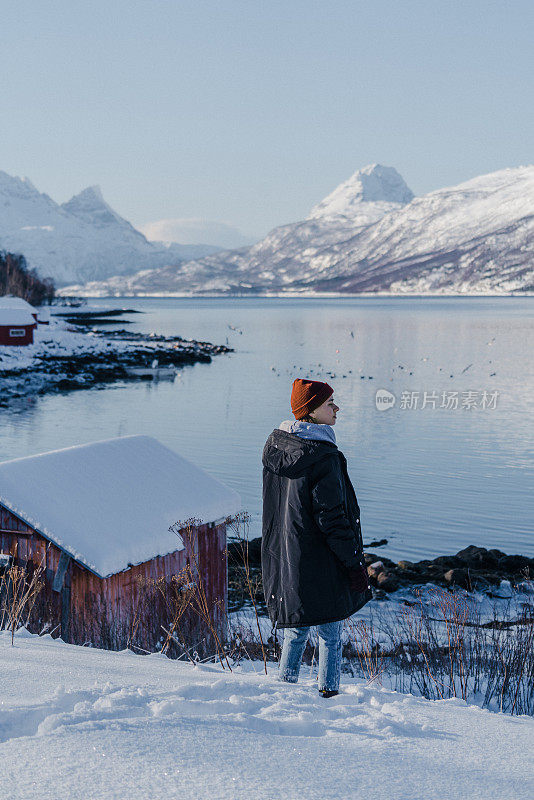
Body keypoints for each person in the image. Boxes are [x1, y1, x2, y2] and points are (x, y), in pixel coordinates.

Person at [262, 378, 371, 697]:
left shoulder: (277, 447)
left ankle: (286, 689)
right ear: (309, 412)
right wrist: (354, 564)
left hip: (287, 555)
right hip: (321, 557)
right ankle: (329, 694)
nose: (336, 408)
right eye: (329, 404)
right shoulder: (323, 457)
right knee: (330, 630)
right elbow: (332, 518)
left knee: (295, 629)